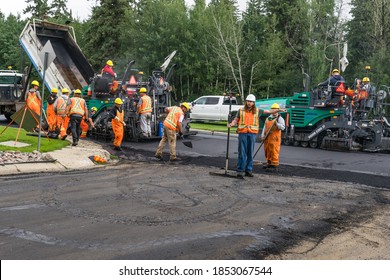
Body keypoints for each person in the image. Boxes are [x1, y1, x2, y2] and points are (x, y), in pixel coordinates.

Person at [228, 95, 285, 178]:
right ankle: (240, 170)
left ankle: (248, 170)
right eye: (248, 101)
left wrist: (279, 110)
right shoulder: (241, 110)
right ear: (246, 102)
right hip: (242, 133)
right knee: (242, 152)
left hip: (252, 134)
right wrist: (231, 124)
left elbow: (269, 111)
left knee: (250, 153)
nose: (249, 103)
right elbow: (236, 119)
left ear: (253, 103)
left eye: (251, 102)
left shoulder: (258, 111)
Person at [261, 103, 286, 172]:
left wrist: (277, 124)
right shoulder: (268, 118)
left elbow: (283, 128)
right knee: (267, 150)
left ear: (278, 110)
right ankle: (269, 163)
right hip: (267, 137)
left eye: (276, 109)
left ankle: (274, 165)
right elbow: (264, 127)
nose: (274, 111)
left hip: (275, 138)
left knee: (274, 151)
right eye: (273, 109)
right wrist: (262, 135)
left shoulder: (279, 118)